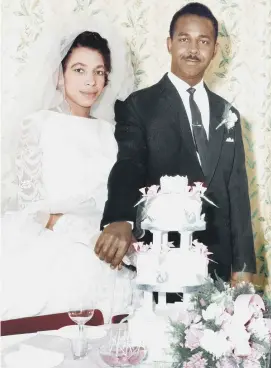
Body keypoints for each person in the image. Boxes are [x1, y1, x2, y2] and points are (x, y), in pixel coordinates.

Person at [95, 2, 256, 289]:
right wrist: (120, 218)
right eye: (184, 39)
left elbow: (237, 193)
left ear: (215, 49)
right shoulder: (138, 105)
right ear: (169, 44)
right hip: (163, 263)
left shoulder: (228, 114)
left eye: (203, 41)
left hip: (219, 267)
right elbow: (129, 163)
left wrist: (243, 269)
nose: (193, 49)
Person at [1, 15, 135, 321]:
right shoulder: (37, 125)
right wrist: (83, 235)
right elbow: (29, 203)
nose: (91, 81)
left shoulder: (112, 133)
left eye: (99, 72)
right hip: (52, 245)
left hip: (106, 248)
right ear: (60, 75)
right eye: (79, 70)